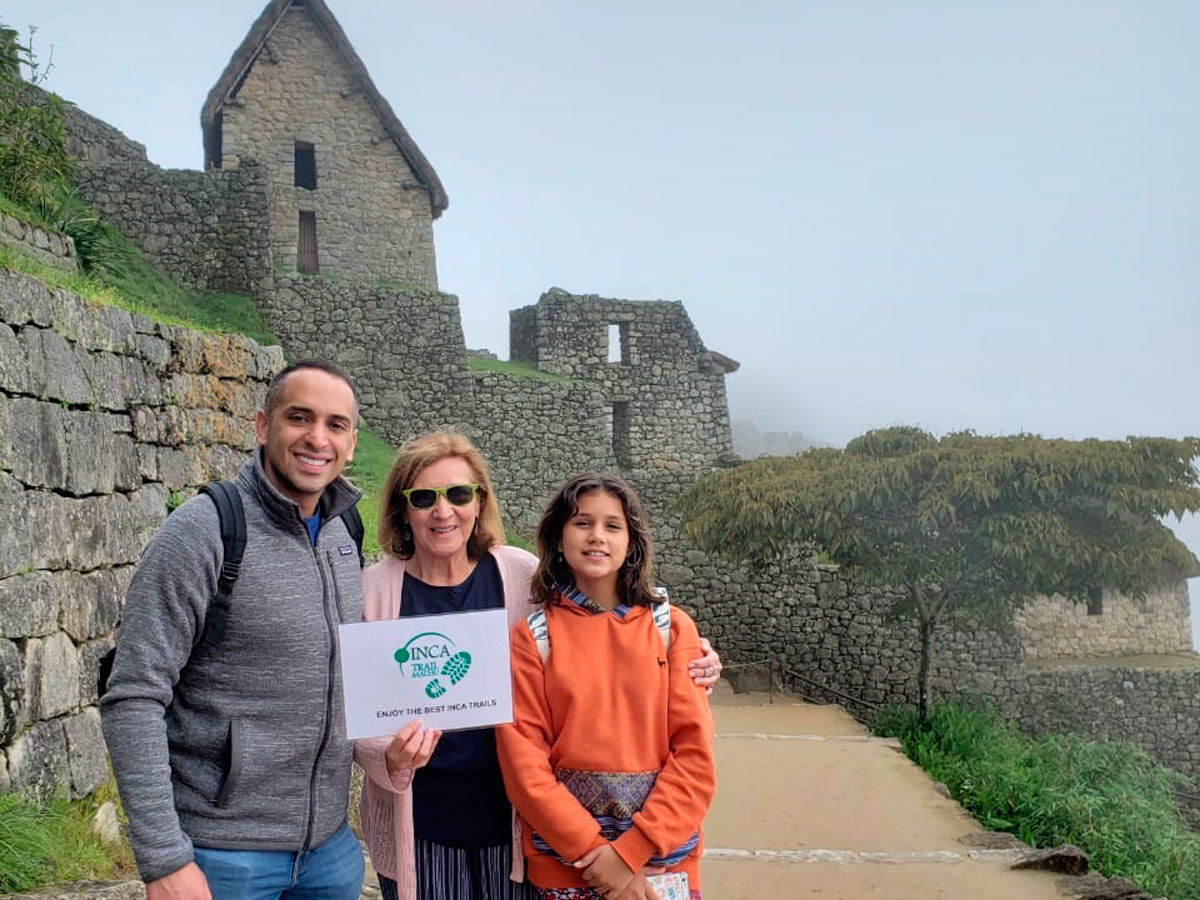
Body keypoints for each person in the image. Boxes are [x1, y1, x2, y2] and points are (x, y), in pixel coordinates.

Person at [354, 432, 722, 900]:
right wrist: (387, 758)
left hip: (511, 829)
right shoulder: (373, 590)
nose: (443, 511)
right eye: (424, 497)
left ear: (479, 501)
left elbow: (607, 627)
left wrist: (694, 656)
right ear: (403, 508)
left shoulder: (518, 576)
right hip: (424, 820)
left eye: (459, 494)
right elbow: (358, 707)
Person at [100, 360, 366, 900]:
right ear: (263, 426)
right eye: (300, 418)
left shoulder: (345, 532)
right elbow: (133, 695)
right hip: (222, 856)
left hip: (331, 853)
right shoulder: (203, 532)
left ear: (352, 442)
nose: (318, 438)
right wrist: (163, 859)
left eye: (335, 425)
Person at [496, 473, 715, 900]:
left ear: (631, 542)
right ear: (559, 539)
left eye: (612, 526)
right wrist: (598, 855)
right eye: (582, 523)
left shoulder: (671, 630)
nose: (597, 536)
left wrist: (631, 852)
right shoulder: (533, 638)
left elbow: (695, 756)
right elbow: (525, 767)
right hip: (568, 868)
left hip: (663, 865)